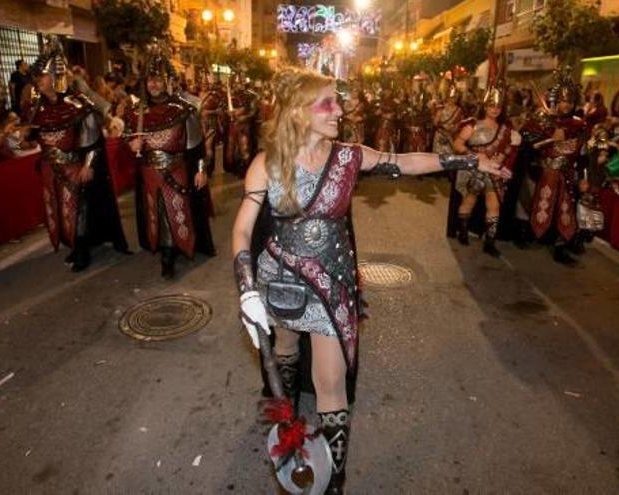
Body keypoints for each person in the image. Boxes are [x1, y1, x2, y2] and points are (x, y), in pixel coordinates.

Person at [231, 68, 506, 495]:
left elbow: (406, 162)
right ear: (299, 112)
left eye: (337, 101)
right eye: (327, 102)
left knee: (331, 385)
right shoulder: (266, 164)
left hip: (331, 287)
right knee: (284, 351)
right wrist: (247, 288)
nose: (339, 109)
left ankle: (333, 480)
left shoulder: (349, 155)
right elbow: (244, 230)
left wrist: (468, 159)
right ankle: (282, 408)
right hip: (278, 280)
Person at [29, 36, 130, 272]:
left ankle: (82, 249)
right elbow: (37, 134)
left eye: (42, 76)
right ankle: (75, 245)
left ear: (56, 77)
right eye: (37, 77)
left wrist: (89, 165)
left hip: (75, 167)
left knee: (78, 210)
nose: (38, 81)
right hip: (52, 170)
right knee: (61, 212)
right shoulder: (39, 106)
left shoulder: (78, 104)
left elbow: (92, 139)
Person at [125, 47, 212, 279]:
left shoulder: (184, 110)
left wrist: (201, 171)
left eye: (158, 79)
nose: (153, 84)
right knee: (157, 212)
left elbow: (197, 147)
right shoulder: (137, 112)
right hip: (149, 172)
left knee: (177, 211)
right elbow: (129, 138)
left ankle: (174, 250)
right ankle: (166, 252)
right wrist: (132, 145)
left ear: (168, 81)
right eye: (149, 79)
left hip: (177, 169)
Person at [522, 66, 588, 264]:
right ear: (556, 100)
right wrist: (550, 138)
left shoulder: (580, 125)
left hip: (568, 172)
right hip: (545, 171)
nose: (566, 105)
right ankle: (537, 236)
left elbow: (584, 154)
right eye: (562, 101)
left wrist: (584, 178)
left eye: (569, 101)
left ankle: (560, 245)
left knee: (565, 208)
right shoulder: (544, 120)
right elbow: (529, 143)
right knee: (542, 204)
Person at [448, 78, 520, 257]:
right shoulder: (473, 124)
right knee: (469, 200)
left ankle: (490, 242)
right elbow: (457, 144)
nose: (495, 109)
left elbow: (507, 148)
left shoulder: (505, 128)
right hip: (474, 169)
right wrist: (474, 155)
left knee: (494, 205)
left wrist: (502, 157)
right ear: (485, 106)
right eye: (491, 105)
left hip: (493, 171)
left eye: (498, 106)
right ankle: (463, 232)